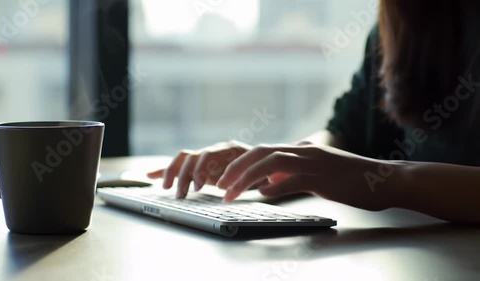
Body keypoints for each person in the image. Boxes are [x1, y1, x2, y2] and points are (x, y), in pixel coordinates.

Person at [148, 0, 480, 224]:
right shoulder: (403, 19)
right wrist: (284, 161)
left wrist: (393, 181)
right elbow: (345, 132)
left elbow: (376, 172)